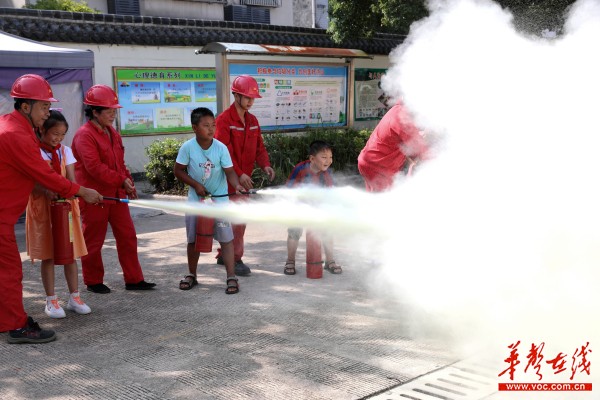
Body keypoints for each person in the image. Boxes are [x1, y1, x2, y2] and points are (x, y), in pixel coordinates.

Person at [0, 74, 103, 344]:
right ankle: (16, 327)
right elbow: (46, 175)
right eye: (44, 107)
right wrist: (82, 191)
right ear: (25, 107)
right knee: (10, 272)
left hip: (5, 215)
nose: (48, 113)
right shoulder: (15, 135)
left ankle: (7, 319)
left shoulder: (14, 128)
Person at [71, 84, 155, 294]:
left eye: (114, 110)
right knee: (93, 240)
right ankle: (93, 281)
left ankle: (134, 279)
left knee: (127, 236)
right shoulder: (84, 135)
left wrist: (128, 183)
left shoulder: (112, 133)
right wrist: (121, 180)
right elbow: (94, 168)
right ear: (95, 112)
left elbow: (120, 162)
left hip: (116, 195)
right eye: (109, 111)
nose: (113, 114)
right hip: (94, 197)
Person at [26, 110, 91, 318]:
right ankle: (51, 300)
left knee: (70, 253)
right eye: (55, 133)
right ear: (42, 130)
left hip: (66, 209)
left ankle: (74, 297)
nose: (58, 138)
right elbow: (31, 184)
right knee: (49, 254)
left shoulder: (65, 151)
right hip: (43, 209)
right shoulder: (34, 152)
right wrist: (46, 190)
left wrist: (71, 192)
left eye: (62, 134)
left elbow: (72, 181)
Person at [174, 107, 246, 294]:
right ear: (194, 127)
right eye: (206, 126)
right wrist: (196, 185)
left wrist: (237, 186)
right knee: (193, 240)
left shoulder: (221, 148)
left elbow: (230, 172)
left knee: (226, 240)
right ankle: (192, 275)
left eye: (213, 125)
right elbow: (178, 170)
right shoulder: (187, 147)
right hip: (196, 203)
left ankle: (231, 276)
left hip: (220, 203)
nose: (211, 129)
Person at [214, 75, 275, 276]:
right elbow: (224, 153)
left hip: (242, 180)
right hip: (226, 181)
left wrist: (265, 165)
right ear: (236, 95)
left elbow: (259, 148)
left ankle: (224, 255)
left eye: (252, 98)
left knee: (237, 220)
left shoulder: (253, 121)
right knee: (236, 221)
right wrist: (239, 175)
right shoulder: (223, 120)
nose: (250, 101)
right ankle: (236, 258)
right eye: (246, 97)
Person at [283, 140, 342, 275]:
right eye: (324, 157)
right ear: (312, 159)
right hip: (298, 207)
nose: (328, 161)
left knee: (328, 231)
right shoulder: (300, 169)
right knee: (294, 232)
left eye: (330, 157)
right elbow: (289, 189)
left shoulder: (327, 173)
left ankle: (330, 261)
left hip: (320, 208)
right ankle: (290, 261)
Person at [357, 101, 429, 192]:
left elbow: (409, 145)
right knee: (383, 200)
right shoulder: (402, 117)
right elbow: (420, 149)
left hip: (372, 162)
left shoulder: (398, 110)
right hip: (378, 166)